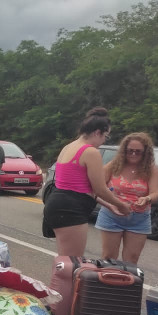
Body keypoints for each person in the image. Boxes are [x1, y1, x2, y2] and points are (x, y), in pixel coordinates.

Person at [43, 107, 131, 257]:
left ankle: (58, 281)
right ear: (97, 132)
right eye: (106, 136)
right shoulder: (90, 152)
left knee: (64, 260)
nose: (104, 141)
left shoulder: (68, 147)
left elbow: (80, 188)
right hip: (71, 210)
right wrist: (121, 205)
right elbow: (99, 189)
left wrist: (109, 205)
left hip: (57, 204)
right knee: (72, 262)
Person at [95, 133, 158, 263]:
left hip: (139, 218)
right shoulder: (113, 165)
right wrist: (111, 203)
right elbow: (97, 189)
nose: (133, 154)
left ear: (146, 153)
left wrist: (147, 199)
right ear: (123, 151)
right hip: (112, 215)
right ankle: (108, 282)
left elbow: (156, 193)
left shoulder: (152, 170)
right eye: (130, 151)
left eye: (138, 152)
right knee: (109, 257)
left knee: (131, 259)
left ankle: (127, 282)